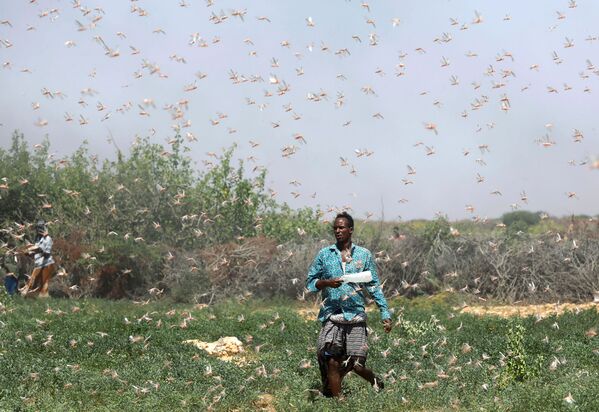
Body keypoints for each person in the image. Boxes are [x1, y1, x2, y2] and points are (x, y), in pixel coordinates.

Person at [306, 212, 392, 398]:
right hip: (332, 314)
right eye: (335, 227)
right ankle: (339, 402)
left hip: (355, 316)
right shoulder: (325, 254)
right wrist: (327, 283)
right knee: (332, 361)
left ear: (350, 230)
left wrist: (384, 312)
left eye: (342, 227)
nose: (338, 230)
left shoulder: (363, 255)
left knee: (356, 364)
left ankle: (374, 379)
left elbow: (374, 285)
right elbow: (310, 283)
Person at [20, 220, 55, 298]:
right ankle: (37, 298)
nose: (39, 230)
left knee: (39, 282)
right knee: (38, 283)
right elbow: (35, 254)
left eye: (40, 228)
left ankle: (40, 298)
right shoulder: (38, 239)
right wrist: (29, 254)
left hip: (46, 264)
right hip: (39, 263)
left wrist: (38, 250)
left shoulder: (48, 239)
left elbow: (47, 254)